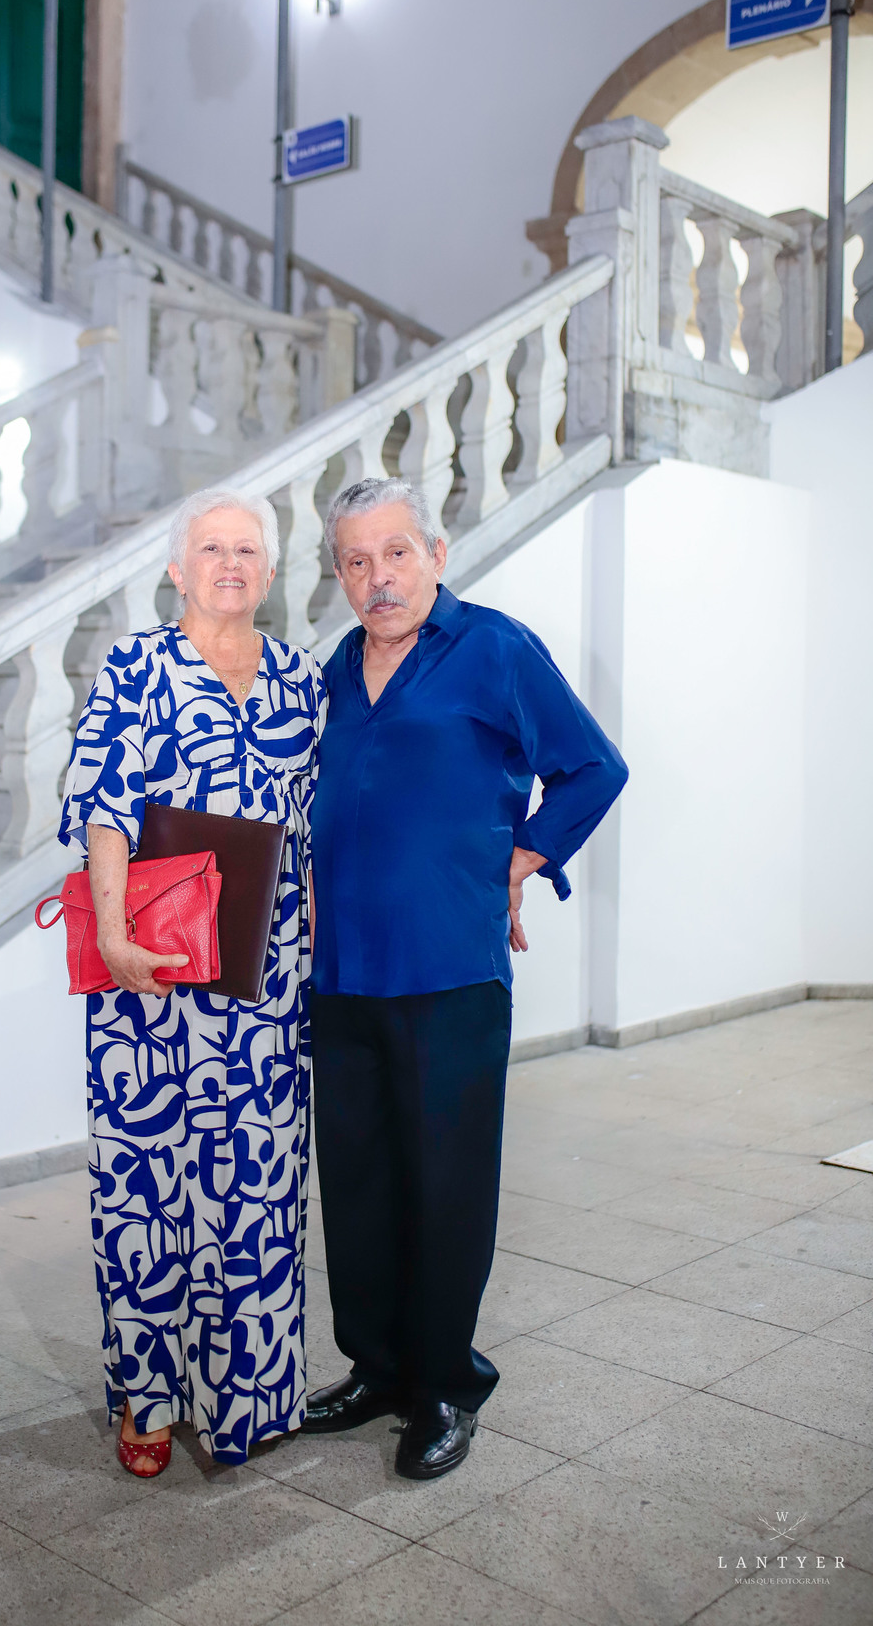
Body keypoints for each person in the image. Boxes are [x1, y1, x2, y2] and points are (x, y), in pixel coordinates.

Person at [303, 476, 627, 1480]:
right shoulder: (332, 671)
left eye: (395, 553)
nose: (378, 578)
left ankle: (446, 1384)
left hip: (450, 972)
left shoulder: (494, 649)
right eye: (356, 561)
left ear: (436, 553)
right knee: (357, 1184)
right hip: (343, 975)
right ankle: (379, 1368)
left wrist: (524, 860)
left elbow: (592, 767)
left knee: (446, 1188)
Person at [59, 487, 325, 1476]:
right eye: (211, 548)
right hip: (153, 975)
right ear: (177, 568)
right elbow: (102, 805)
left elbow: (326, 817)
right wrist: (118, 931)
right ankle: (148, 1398)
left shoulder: (303, 680)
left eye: (247, 549)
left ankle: (251, 1397)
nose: (229, 564)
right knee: (148, 1185)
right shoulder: (135, 667)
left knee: (258, 1188)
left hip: (266, 978)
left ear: (269, 568)